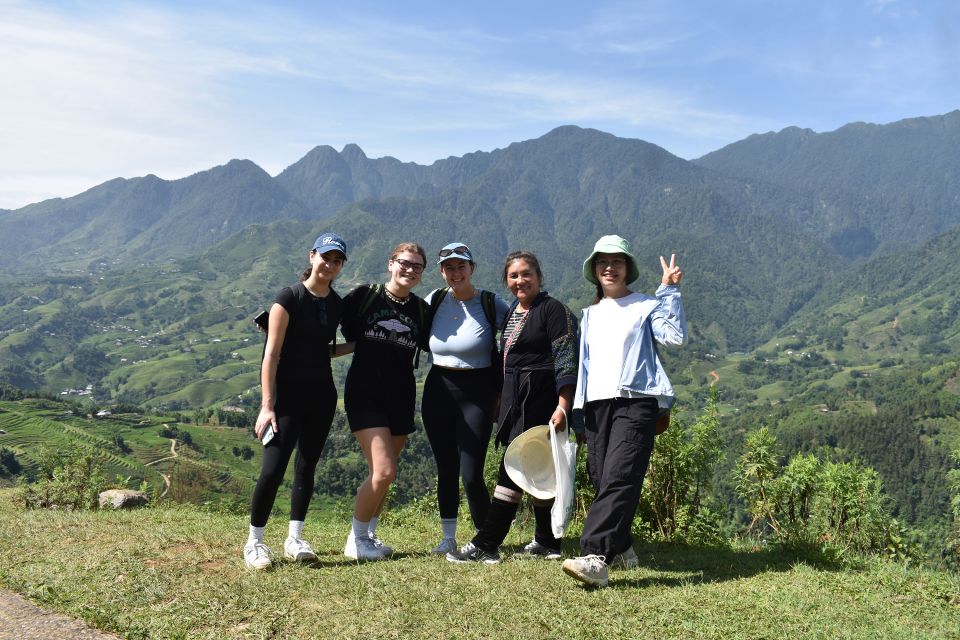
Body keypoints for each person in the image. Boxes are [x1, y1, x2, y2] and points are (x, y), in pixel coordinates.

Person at [561, 235, 686, 588]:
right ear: (594, 270)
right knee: (603, 478)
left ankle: (595, 557)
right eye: (603, 262)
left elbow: (674, 337)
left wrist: (669, 291)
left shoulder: (646, 305)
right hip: (597, 404)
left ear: (628, 268)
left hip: (637, 401)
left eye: (617, 261)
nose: (610, 267)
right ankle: (623, 545)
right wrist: (577, 413)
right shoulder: (589, 315)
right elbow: (583, 365)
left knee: (619, 476)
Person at [447, 251, 579, 564]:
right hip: (515, 401)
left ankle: (486, 544)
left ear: (539, 276)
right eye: (513, 275)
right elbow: (505, 361)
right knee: (536, 468)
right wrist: (499, 401)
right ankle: (548, 541)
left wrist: (563, 405)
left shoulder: (553, 310)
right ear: (507, 280)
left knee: (514, 470)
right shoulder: (513, 312)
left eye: (526, 274)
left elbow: (565, 359)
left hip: (541, 400)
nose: (520, 281)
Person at [244, 232, 348, 570]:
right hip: (286, 398)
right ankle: (255, 542)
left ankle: (295, 537)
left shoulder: (336, 304)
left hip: (322, 395)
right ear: (312, 256)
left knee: (307, 466)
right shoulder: (289, 298)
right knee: (272, 470)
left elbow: (325, 350)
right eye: (326, 257)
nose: (330, 265)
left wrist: (362, 344)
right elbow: (271, 355)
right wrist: (267, 405)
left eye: (337, 260)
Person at [339, 242, 430, 561]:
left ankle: (370, 534)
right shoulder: (365, 296)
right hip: (365, 393)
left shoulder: (421, 310)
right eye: (404, 263)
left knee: (385, 473)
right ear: (391, 263)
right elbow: (324, 315)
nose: (409, 270)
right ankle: (356, 539)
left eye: (417, 266)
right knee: (385, 470)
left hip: (401, 396)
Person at [422, 242, 510, 555]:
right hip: (438, 388)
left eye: (461, 266)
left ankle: (485, 542)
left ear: (471, 268)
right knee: (445, 467)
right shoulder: (434, 300)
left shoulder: (490, 302)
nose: (455, 273)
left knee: (471, 473)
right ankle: (448, 538)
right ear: (442, 272)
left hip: (478, 391)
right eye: (449, 268)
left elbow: (517, 333)